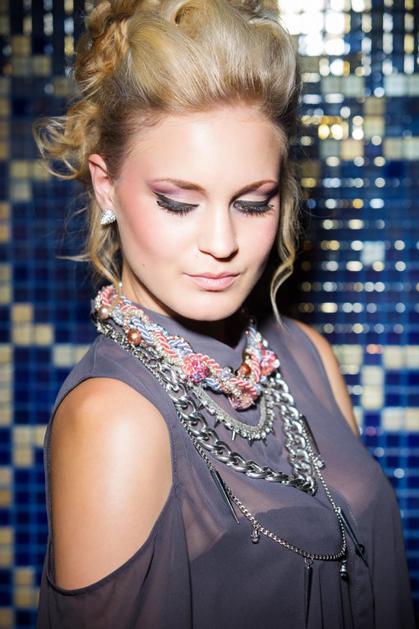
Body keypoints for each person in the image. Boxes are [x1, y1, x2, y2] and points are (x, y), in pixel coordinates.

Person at [34, 1, 415, 627]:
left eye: (253, 202)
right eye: (178, 203)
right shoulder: (114, 418)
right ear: (106, 185)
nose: (222, 243)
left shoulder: (306, 355)